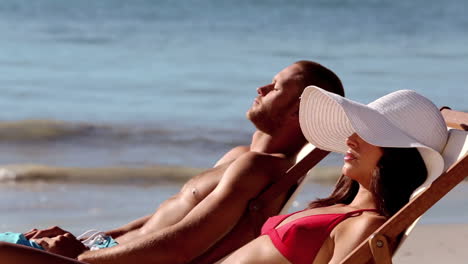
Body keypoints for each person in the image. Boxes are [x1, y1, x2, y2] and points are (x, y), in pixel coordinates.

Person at [0, 61, 345, 264]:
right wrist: (81, 240)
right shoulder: (241, 157)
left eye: (275, 87)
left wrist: (79, 257)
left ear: (298, 110)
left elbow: (177, 248)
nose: (261, 87)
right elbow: (155, 223)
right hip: (100, 252)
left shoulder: (257, 167)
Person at [218, 86, 448, 264]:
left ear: (397, 154)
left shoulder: (367, 225)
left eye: (367, 133)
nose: (350, 140)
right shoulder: (344, 209)